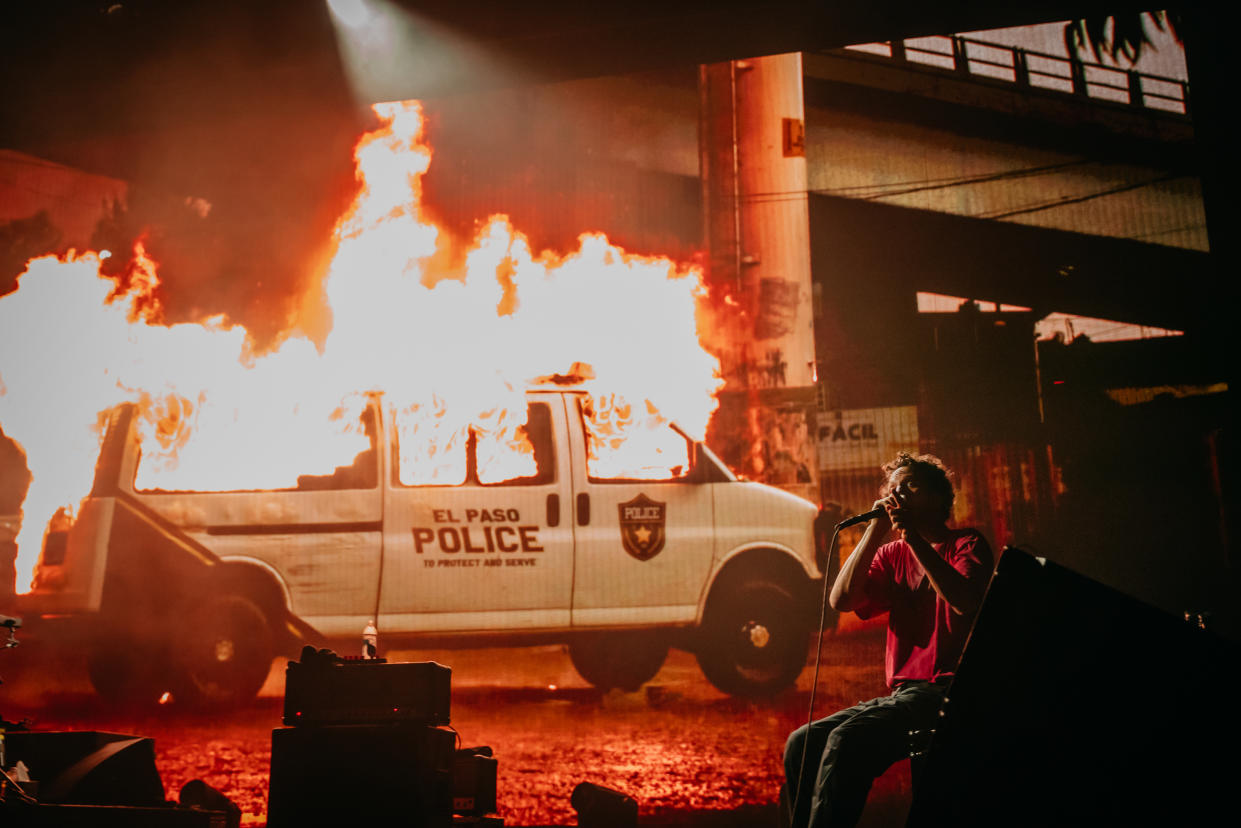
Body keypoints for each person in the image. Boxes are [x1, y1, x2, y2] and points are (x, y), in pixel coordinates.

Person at [784, 452, 994, 828]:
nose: (898, 493)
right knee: (803, 743)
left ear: (940, 499)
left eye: (911, 485)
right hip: (904, 693)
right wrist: (875, 530)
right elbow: (841, 600)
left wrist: (913, 538)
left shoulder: (967, 544)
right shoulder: (891, 553)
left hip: (948, 690)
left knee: (845, 741)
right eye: (893, 487)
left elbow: (965, 601)